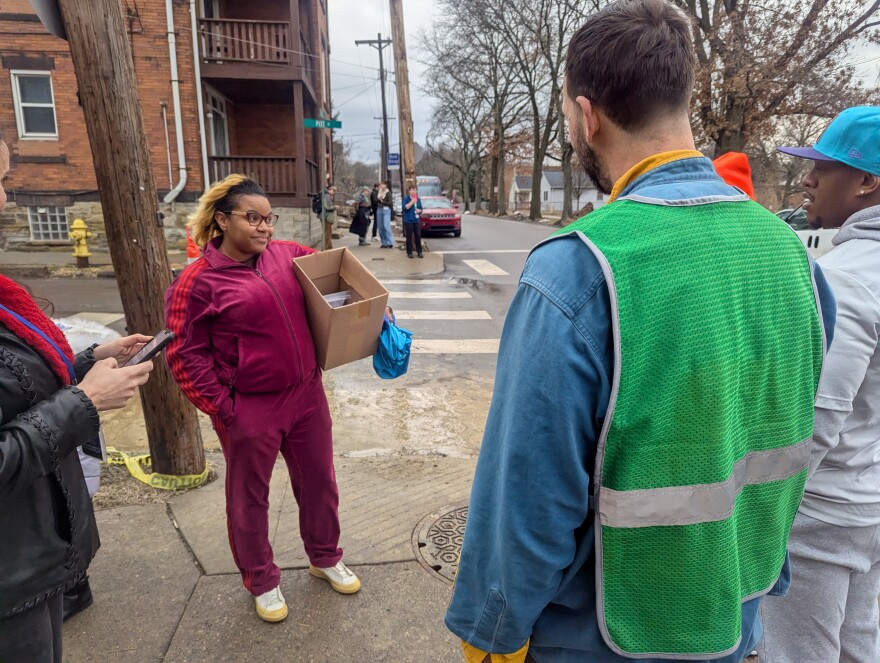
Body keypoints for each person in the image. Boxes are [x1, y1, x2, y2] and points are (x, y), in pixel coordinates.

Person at [444, 2, 836, 662]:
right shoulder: (794, 257)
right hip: (737, 612)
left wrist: (493, 632)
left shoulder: (577, 271)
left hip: (607, 636)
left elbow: (526, 505)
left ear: (585, 115)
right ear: (682, 100)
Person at [163, 174, 361, 625]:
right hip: (250, 406)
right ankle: (261, 578)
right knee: (249, 497)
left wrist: (375, 306)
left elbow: (340, 277)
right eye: (252, 218)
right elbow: (183, 354)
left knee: (320, 482)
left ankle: (325, 555)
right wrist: (224, 408)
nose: (264, 227)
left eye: (268, 218)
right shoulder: (197, 283)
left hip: (306, 393)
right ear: (222, 220)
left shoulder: (288, 255)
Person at [0, 126, 156, 663]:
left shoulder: (5, 297)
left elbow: (18, 390)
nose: (5, 198)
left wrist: (88, 362)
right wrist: (83, 403)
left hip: (34, 559)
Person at [758, 106, 880, 663]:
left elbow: (814, 419)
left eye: (824, 168)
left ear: (867, 182)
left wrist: (758, 520)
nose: (807, 180)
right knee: (859, 647)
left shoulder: (848, 277)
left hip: (821, 519)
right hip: (868, 504)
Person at [402, 185, 424, 258]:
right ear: (409, 191)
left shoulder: (418, 199)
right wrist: (412, 202)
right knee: (409, 236)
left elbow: (421, 209)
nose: (413, 191)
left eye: (414, 190)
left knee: (417, 235)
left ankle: (419, 251)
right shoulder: (406, 199)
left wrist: (419, 211)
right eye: (412, 190)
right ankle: (409, 252)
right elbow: (405, 208)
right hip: (408, 220)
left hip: (416, 219)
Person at [376, 180, 394, 248]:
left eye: (383, 184)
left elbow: (390, 203)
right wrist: (378, 200)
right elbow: (376, 201)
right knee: (380, 227)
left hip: (386, 210)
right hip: (379, 209)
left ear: (386, 185)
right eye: (381, 184)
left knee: (386, 225)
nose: (382, 185)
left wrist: (382, 201)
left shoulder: (388, 193)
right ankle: (384, 242)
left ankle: (390, 242)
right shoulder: (379, 192)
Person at [321, 183, 337, 251]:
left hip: (325, 217)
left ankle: (326, 248)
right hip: (326, 217)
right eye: (334, 190)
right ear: (330, 189)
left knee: (326, 233)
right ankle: (327, 249)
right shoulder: (327, 196)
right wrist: (335, 207)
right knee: (327, 234)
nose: (334, 192)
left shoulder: (326, 195)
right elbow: (327, 207)